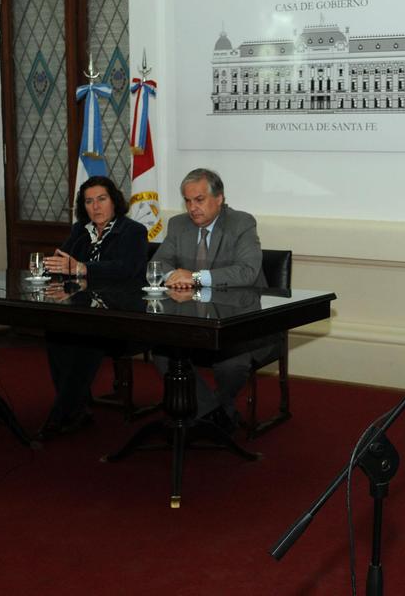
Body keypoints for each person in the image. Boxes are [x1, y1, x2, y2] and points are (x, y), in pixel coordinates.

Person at [151, 168, 266, 433]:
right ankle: (216, 413)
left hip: (240, 320)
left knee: (231, 365)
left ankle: (210, 411)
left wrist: (194, 276)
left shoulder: (241, 223)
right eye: (188, 200)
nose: (192, 208)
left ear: (219, 198)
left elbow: (247, 272)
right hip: (192, 320)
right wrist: (171, 275)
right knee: (162, 354)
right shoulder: (179, 225)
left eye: (199, 199)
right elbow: (158, 262)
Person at [38, 176, 148, 440]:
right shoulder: (80, 231)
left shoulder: (132, 231)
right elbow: (61, 261)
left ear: (114, 201)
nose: (96, 207)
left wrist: (83, 268)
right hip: (84, 312)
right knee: (56, 334)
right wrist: (53, 267)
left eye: (102, 199)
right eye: (89, 201)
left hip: (122, 316)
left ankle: (61, 414)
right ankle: (77, 407)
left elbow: (126, 269)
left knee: (88, 339)